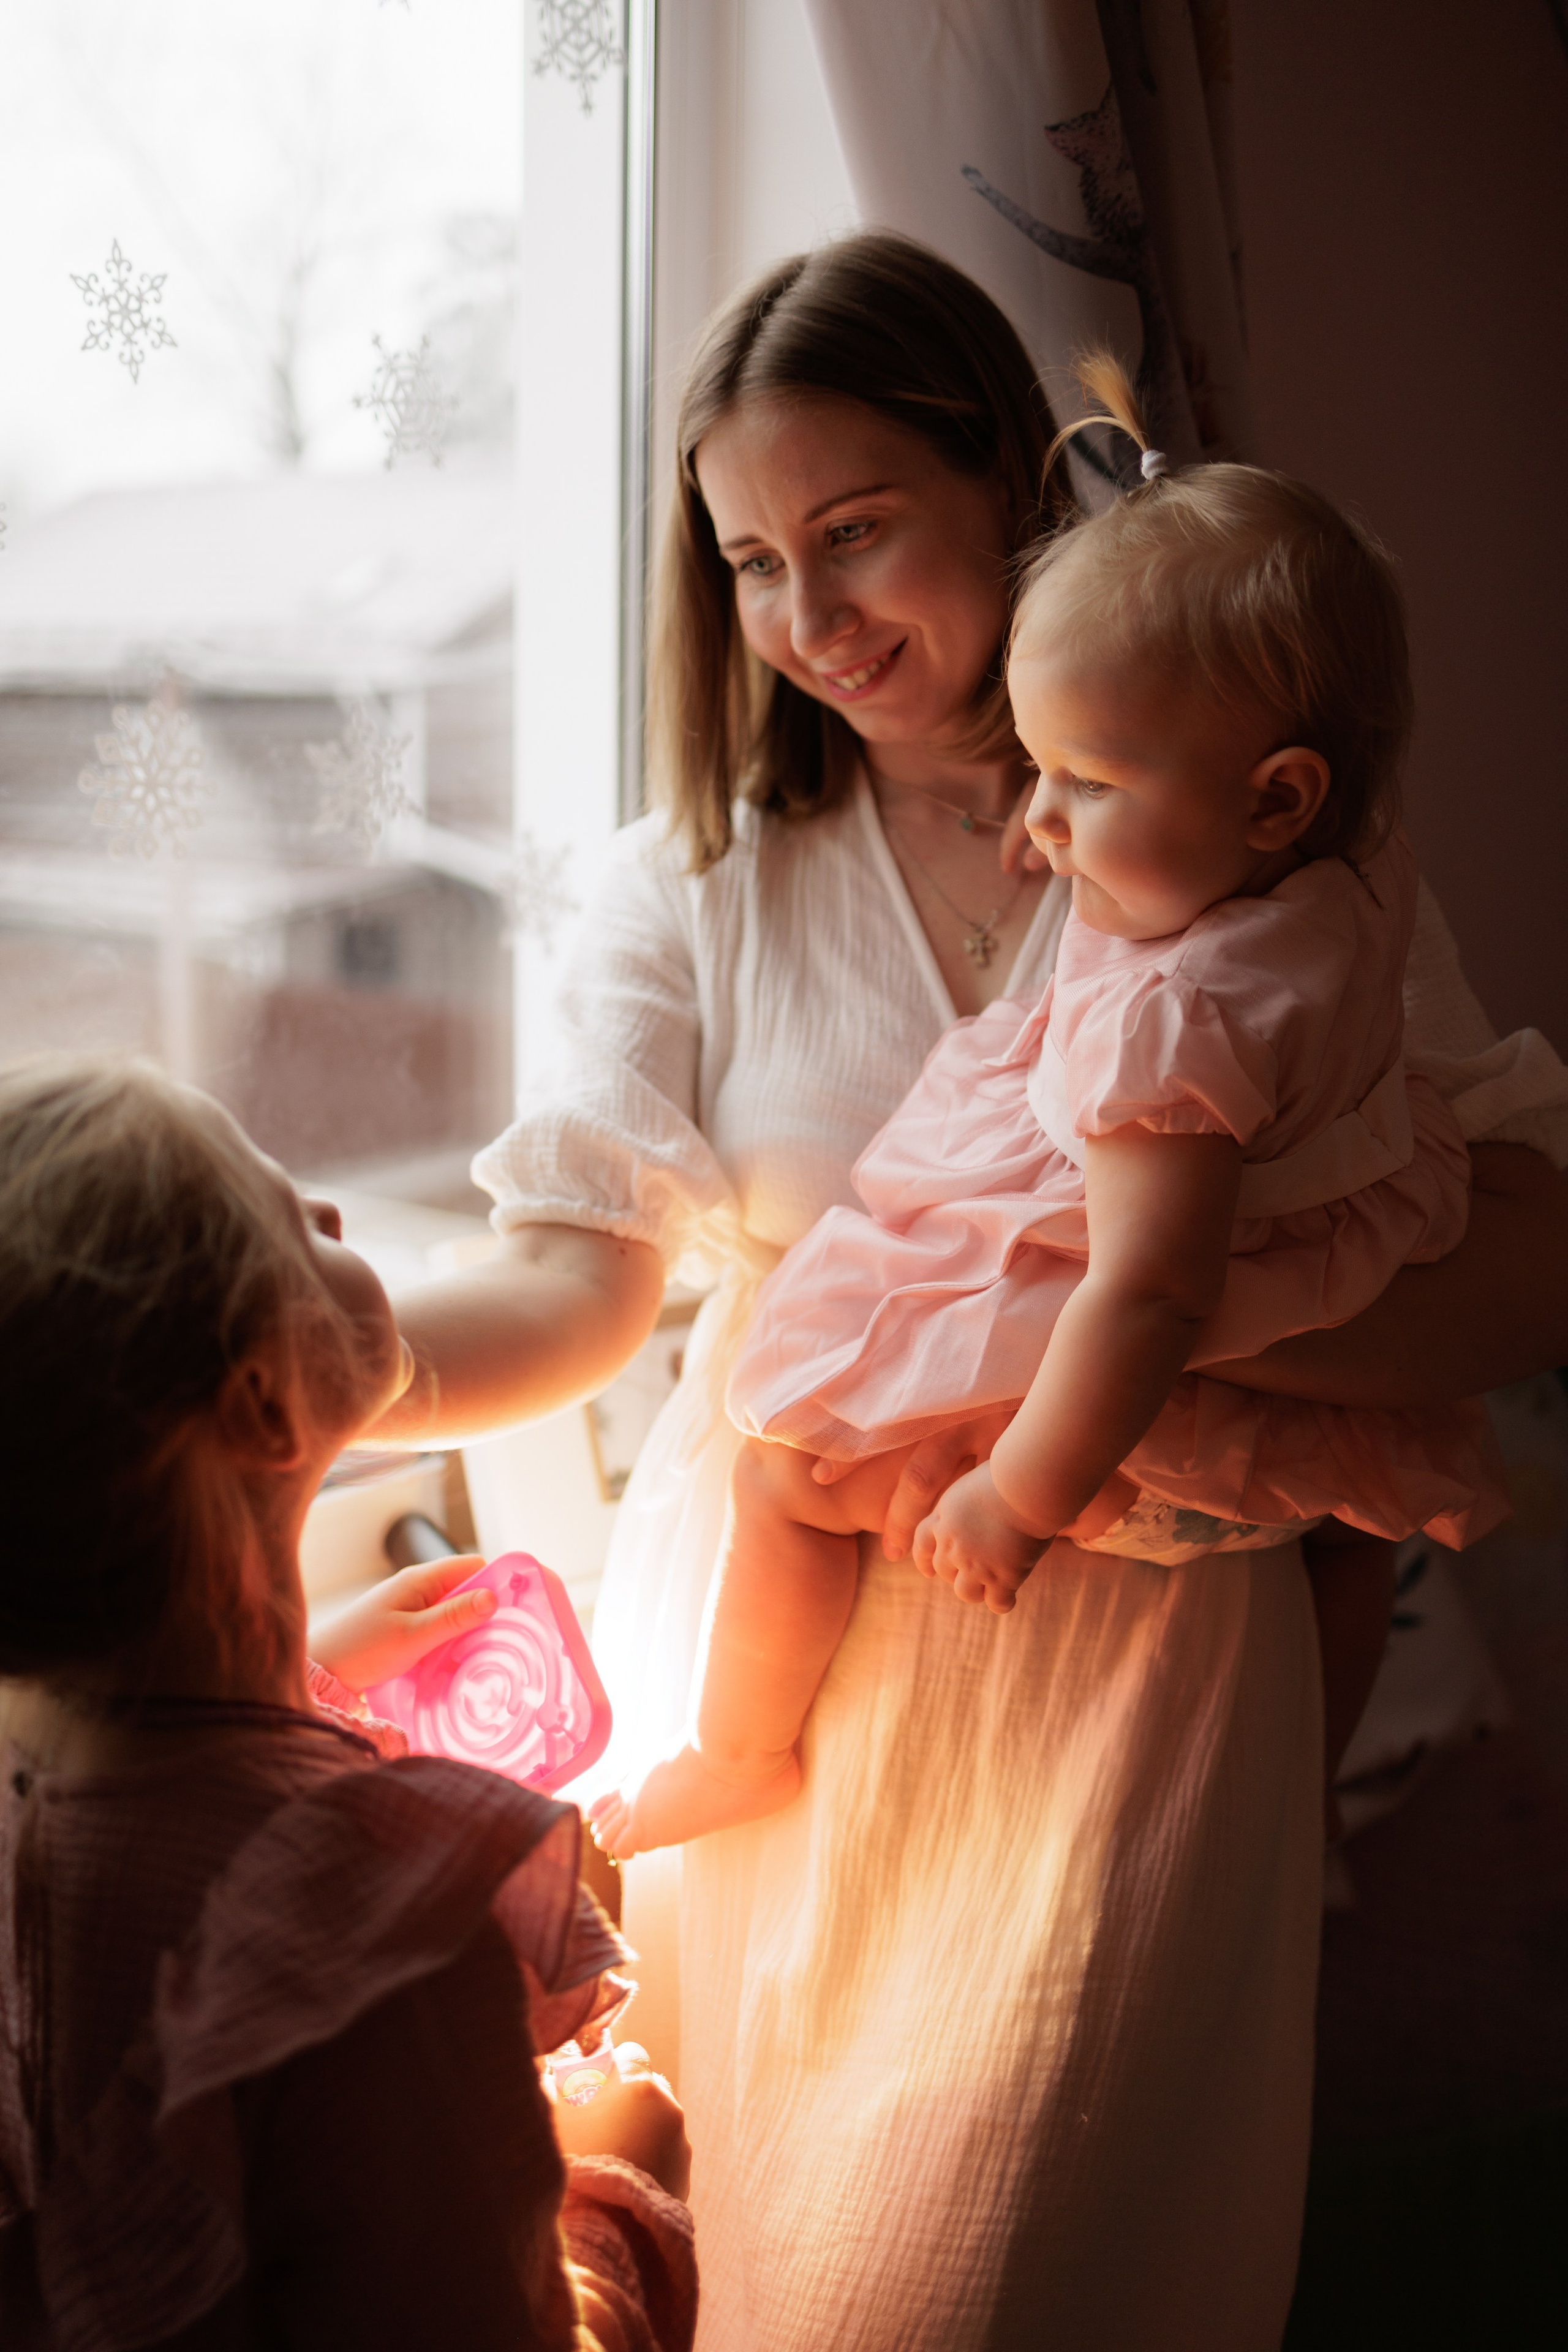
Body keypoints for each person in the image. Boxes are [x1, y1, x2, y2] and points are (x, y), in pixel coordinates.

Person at [375, 236, 1568, 2350]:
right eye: (750, 561)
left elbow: (1519, 1257)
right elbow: (571, 1279)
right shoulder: (692, 887)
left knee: (997, 2289)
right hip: (786, 1674)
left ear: (1006, 488)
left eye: (856, 536)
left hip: (1138, 1685)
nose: (808, 619)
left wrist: (1131, 1321)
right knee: (757, 2279)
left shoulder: (1280, 871)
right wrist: (302, 1379)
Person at [587, 355, 1502, 1863]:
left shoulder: (1164, 1019)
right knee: (1344, 1553)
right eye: (752, 562)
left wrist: (1015, 1495)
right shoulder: (1339, 886)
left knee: (794, 1478)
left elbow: (1143, 1296)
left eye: (1075, 780)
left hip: (1099, 1424)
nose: (1038, 826)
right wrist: (1117, 813)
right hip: (1314, 1385)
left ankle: (738, 1749)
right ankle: (1299, 1827)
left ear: (1271, 796)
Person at [0, 1056, 696, 2352]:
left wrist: (306, 1675)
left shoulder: (32, 1782)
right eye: (287, 1213)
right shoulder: (387, 1926)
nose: (333, 1216)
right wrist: (611, 2196)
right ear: (263, 1403)